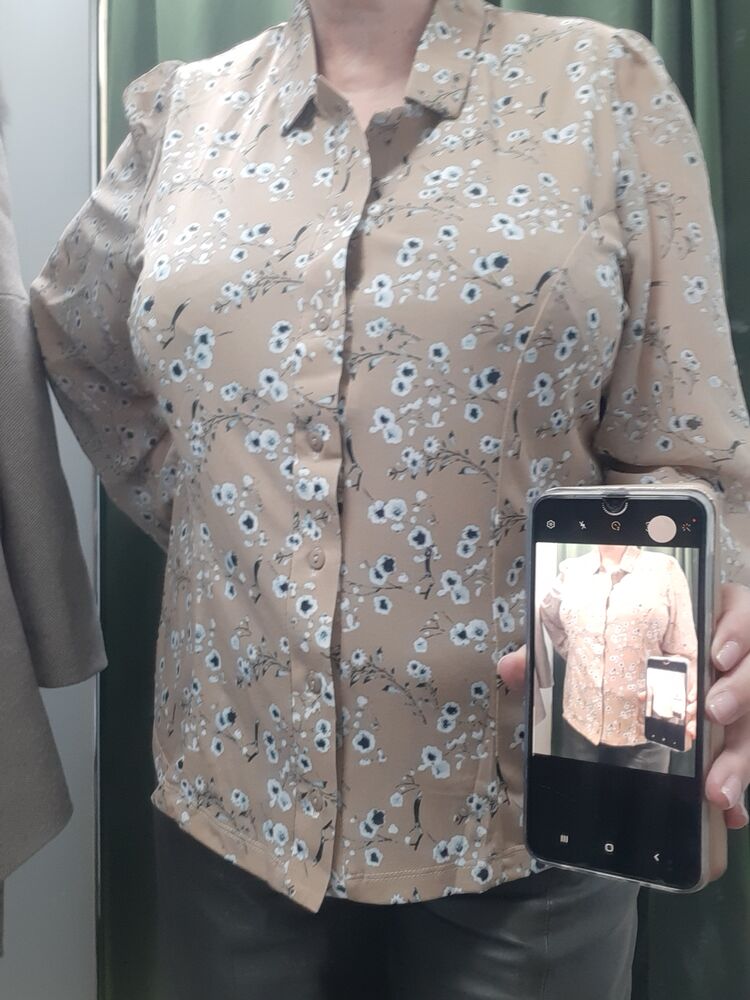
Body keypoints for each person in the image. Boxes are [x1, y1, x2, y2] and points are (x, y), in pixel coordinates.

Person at [27, 0, 750, 997]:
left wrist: (714, 606)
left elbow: (690, 452)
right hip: (236, 805)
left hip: (530, 819)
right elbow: (74, 333)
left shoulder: (603, 88)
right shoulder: (184, 113)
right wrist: (222, 522)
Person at [537, 544, 697, 772]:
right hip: (581, 721)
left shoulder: (664, 568)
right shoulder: (571, 569)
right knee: (578, 793)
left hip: (644, 730)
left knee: (645, 796)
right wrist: (576, 654)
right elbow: (549, 614)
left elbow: (683, 647)